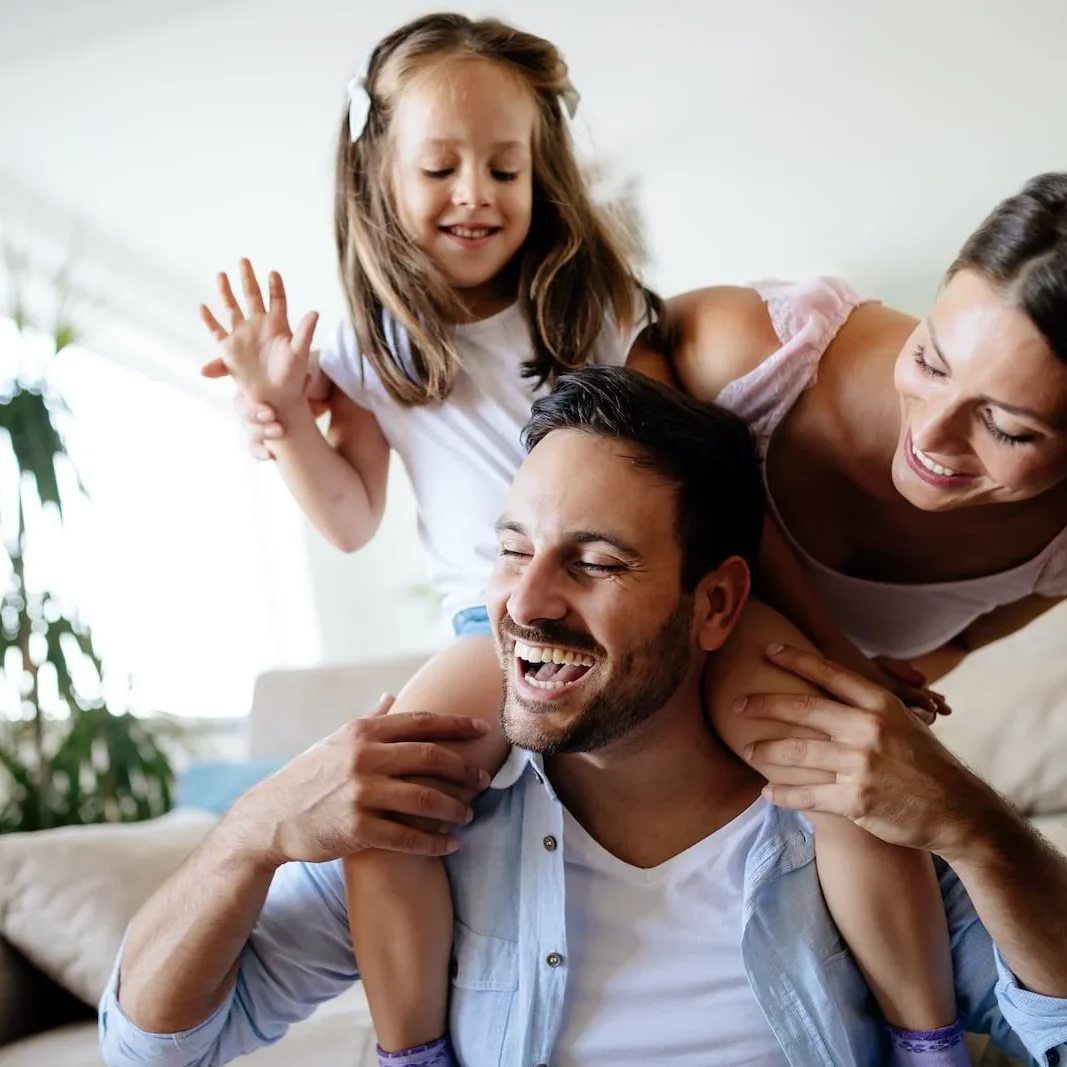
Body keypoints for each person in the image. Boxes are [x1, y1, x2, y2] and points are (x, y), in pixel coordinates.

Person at [101, 368, 1067, 1067]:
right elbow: (149, 1048)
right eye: (513, 549)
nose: (526, 601)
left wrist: (975, 827)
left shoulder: (841, 811)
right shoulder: (432, 816)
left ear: (718, 605)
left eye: (595, 562)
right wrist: (249, 836)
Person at [196, 13, 666, 1061]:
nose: (475, 194)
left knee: (821, 735)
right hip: (492, 620)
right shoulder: (375, 351)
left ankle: (923, 1027)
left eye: (505, 167)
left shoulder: (596, 306)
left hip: (633, 597)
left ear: (540, 171)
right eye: (440, 166)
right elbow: (351, 518)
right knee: (383, 802)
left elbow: (671, 476)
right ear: (379, 178)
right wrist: (280, 413)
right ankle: (412, 1048)